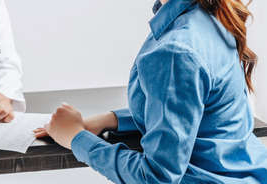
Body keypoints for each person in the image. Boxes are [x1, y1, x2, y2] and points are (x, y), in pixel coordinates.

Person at [34, 0, 267, 183]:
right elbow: (194, 111)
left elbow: (156, 178)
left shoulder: (176, 50)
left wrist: (76, 138)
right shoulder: (209, 15)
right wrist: (111, 120)